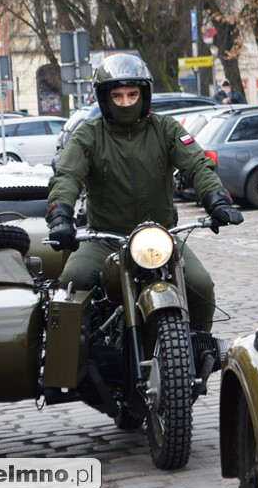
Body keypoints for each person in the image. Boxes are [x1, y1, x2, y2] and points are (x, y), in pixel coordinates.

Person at [46, 54, 243, 332]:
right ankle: (80, 353)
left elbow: (197, 165)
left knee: (201, 286)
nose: (126, 103)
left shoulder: (166, 129)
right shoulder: (88, 134)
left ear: (144, 94)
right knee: (73, 281)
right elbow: (67, 175)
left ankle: (199, 345)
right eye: (117, 96)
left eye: (132, 94)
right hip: (105, 238)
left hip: (161, 237)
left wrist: (216, 199)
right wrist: (60, 214)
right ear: (104, 99)